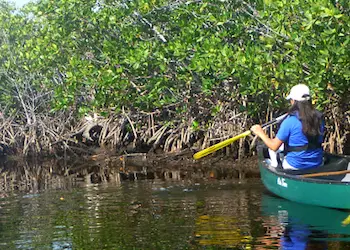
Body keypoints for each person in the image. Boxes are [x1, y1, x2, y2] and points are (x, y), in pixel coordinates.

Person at [251, 84, 324, 170]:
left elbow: (274, 146)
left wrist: (260, 132)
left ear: (293, 101)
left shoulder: (290, 121)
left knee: (271, 150)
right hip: (317, 163)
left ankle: (276, 167)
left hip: (295, 165)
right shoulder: (319, 119)